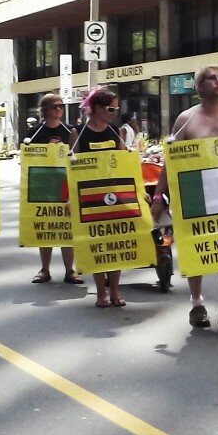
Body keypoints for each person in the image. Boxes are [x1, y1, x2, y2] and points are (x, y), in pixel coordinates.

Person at [153, 64, 218, 334]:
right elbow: (171, 160)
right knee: (198, 248)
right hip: (196, 193)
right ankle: (197, 304)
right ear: (199, 86)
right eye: (210, 78)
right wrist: (158, 195)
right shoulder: (186, 119)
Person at [73, 86, 129, 308]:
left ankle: (114, 291)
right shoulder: (79, 133)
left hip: (116, 195)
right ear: (95, 108)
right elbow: (73, 168)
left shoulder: (116, 132)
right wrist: (71, 199)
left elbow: (125, 163)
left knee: (116, 245)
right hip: (90, 196)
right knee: (97, 245)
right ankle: (100, 293)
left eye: (116, 108)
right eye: (110, 108)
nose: (114, 112)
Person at [26, 93, 82, 285]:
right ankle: (45, 270)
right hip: (43, 185)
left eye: (61, 106)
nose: (59, 109)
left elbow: (77, 158)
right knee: (47, 227)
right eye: (54, 106)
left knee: (67, 229)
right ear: (45, 110)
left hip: (65, 185)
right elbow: (26, 161)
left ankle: (70, 271)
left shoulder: (70, 131)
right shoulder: (34, 133)